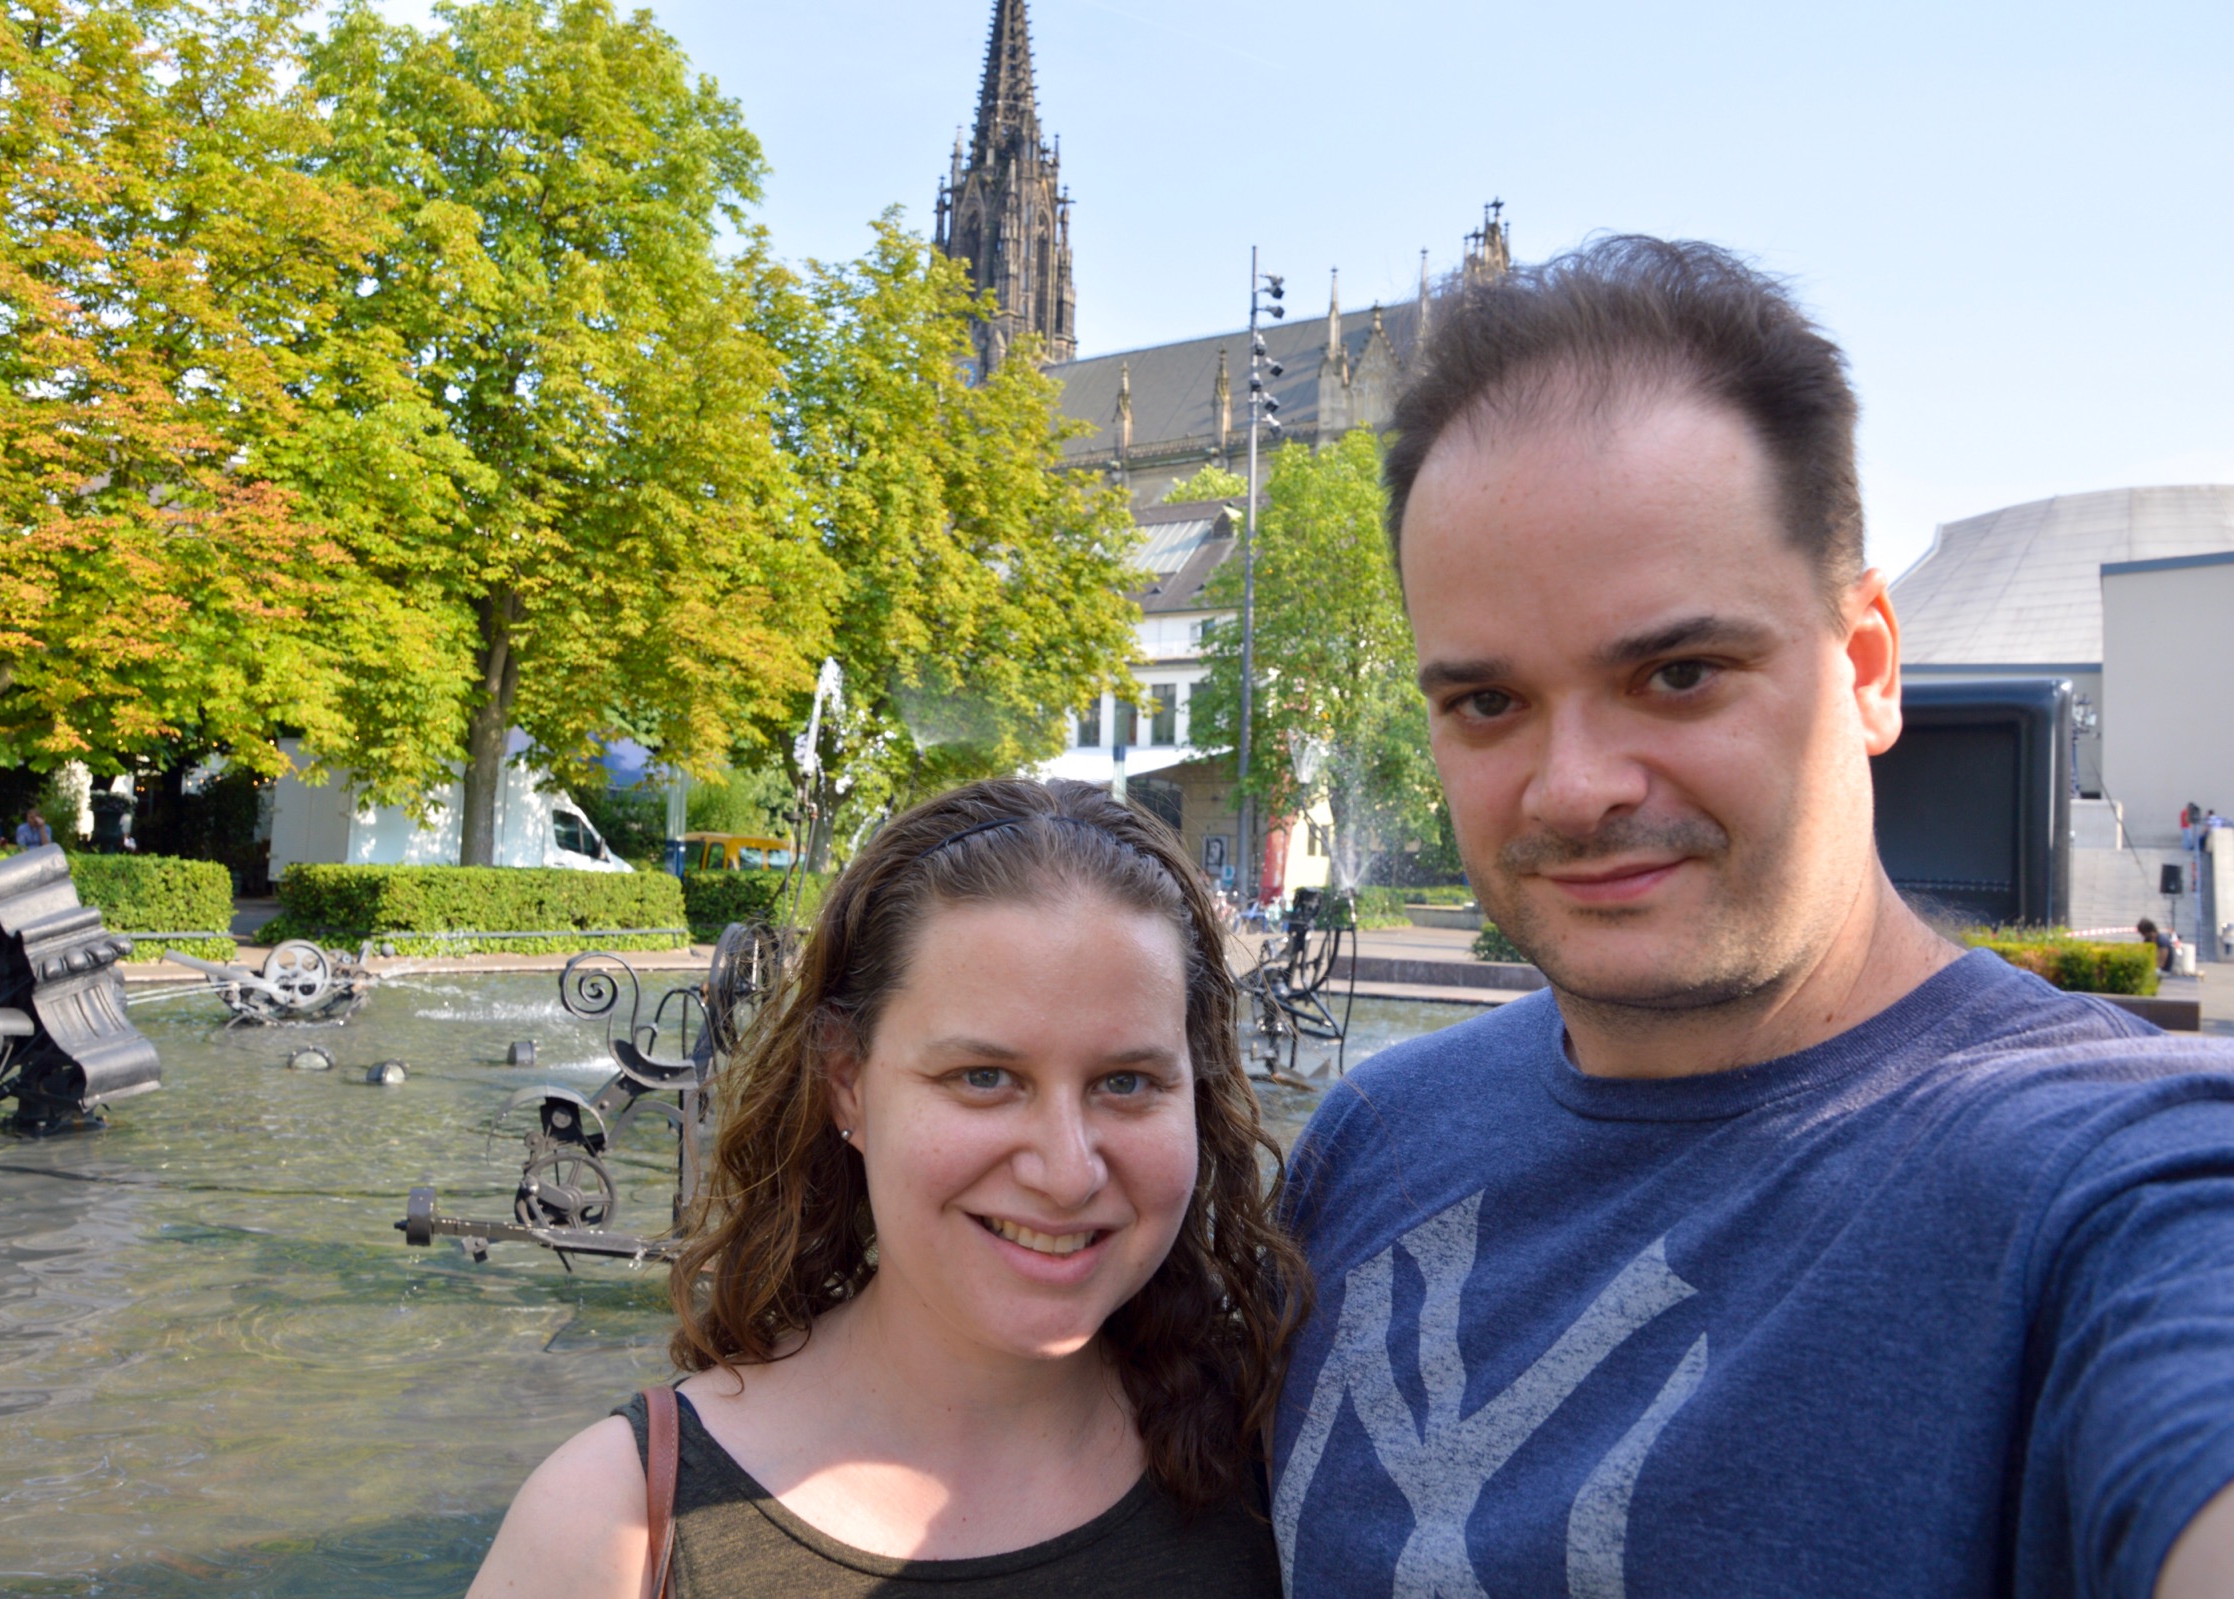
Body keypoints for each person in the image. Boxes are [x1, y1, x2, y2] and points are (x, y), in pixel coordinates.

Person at [1272, 236, 2234, 1598]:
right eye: (1486, 701)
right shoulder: (1378, 1136)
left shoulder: (2108, 1170)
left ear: (1864, 668)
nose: (1575, 786)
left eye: (1676, 672)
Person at [471, 778, 1305, 1599]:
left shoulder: (1290, 1445)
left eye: (1126, 1082)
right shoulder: (611, 1526)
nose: (1067, 1170)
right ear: (848, 1084)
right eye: (984, 1075)